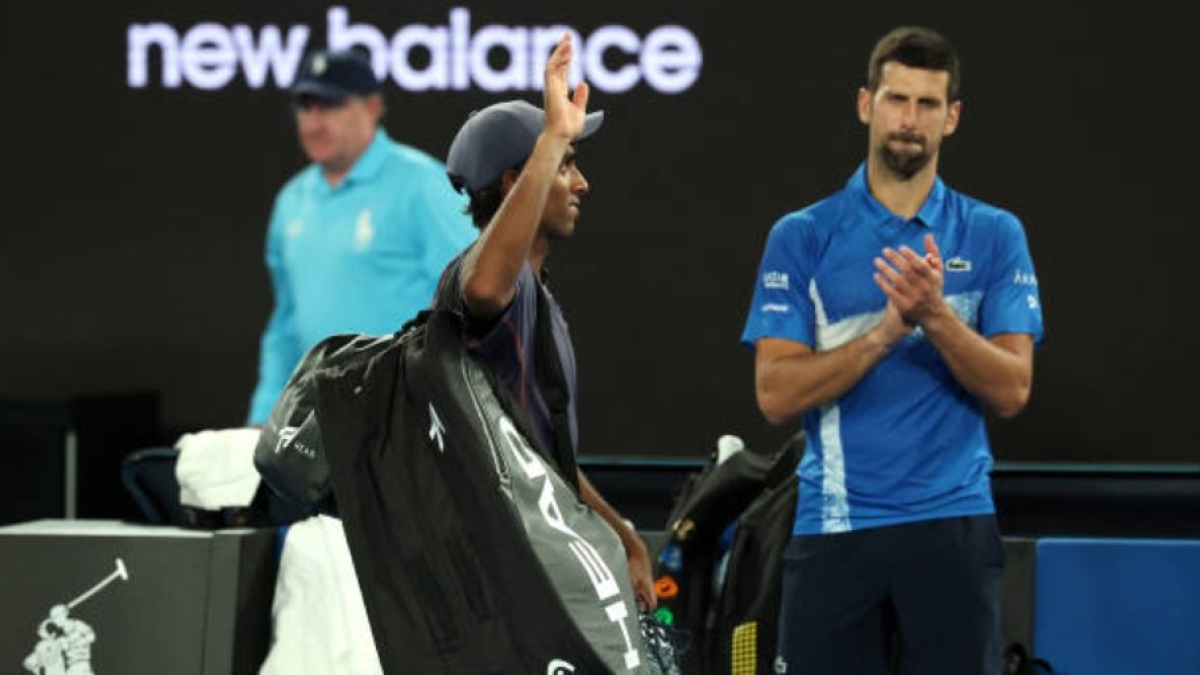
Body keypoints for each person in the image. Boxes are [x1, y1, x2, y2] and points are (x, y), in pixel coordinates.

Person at [740, 26, 1044, 675]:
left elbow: (1013, 387)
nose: (910, 120)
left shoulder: (994, 235)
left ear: (952, 117)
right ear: (864, 104)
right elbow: (775, 393)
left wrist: (934, 314)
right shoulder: (802, 237)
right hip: (834, 530)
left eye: (928, 104)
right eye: (896, 99)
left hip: (954, 526)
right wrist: (883, 332)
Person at [441, 32, 657, 613]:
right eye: (567, 166)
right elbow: (485, 287)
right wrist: (553, 135)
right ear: (519, 182)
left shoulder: (539, 299)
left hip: (533, 566)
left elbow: (544, 456)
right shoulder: (481, 280)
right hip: (496, 579)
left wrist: (621, 534)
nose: (582, 183)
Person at [246, 47, 477, 425]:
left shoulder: (424, 185)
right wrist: (261, 421)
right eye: (306, 107)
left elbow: (475, 300)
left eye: (331, 107)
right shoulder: (291, 201)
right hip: (319, 423)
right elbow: (286, 326)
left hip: (408, 418)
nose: (314, 122)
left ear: (372, 107)